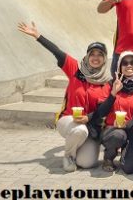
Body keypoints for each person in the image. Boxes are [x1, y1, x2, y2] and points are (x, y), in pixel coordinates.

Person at [16, 22, 110, 172]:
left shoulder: (106, 83)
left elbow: (103, 111)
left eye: (100, 55)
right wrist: (37, 36)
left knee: (86, 163)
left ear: (105, 59)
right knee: (79, 131)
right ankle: (68, 155)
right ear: (87, 55)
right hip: (68, 119)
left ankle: (78, 148)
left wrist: (89, 118)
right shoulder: (75, 69)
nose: (95, 58)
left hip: (90, 125)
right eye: (92, 54)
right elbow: (57, 52)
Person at [94, 51, 133, 174]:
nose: (129, 65)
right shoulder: (110, 85)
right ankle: (109, 157)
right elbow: (101, 112)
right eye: (125, 63)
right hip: (113, 129)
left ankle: (126, 152)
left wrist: (127, 125)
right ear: (119, 67)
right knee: (118, 135)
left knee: (131, 168)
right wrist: (113, 93)